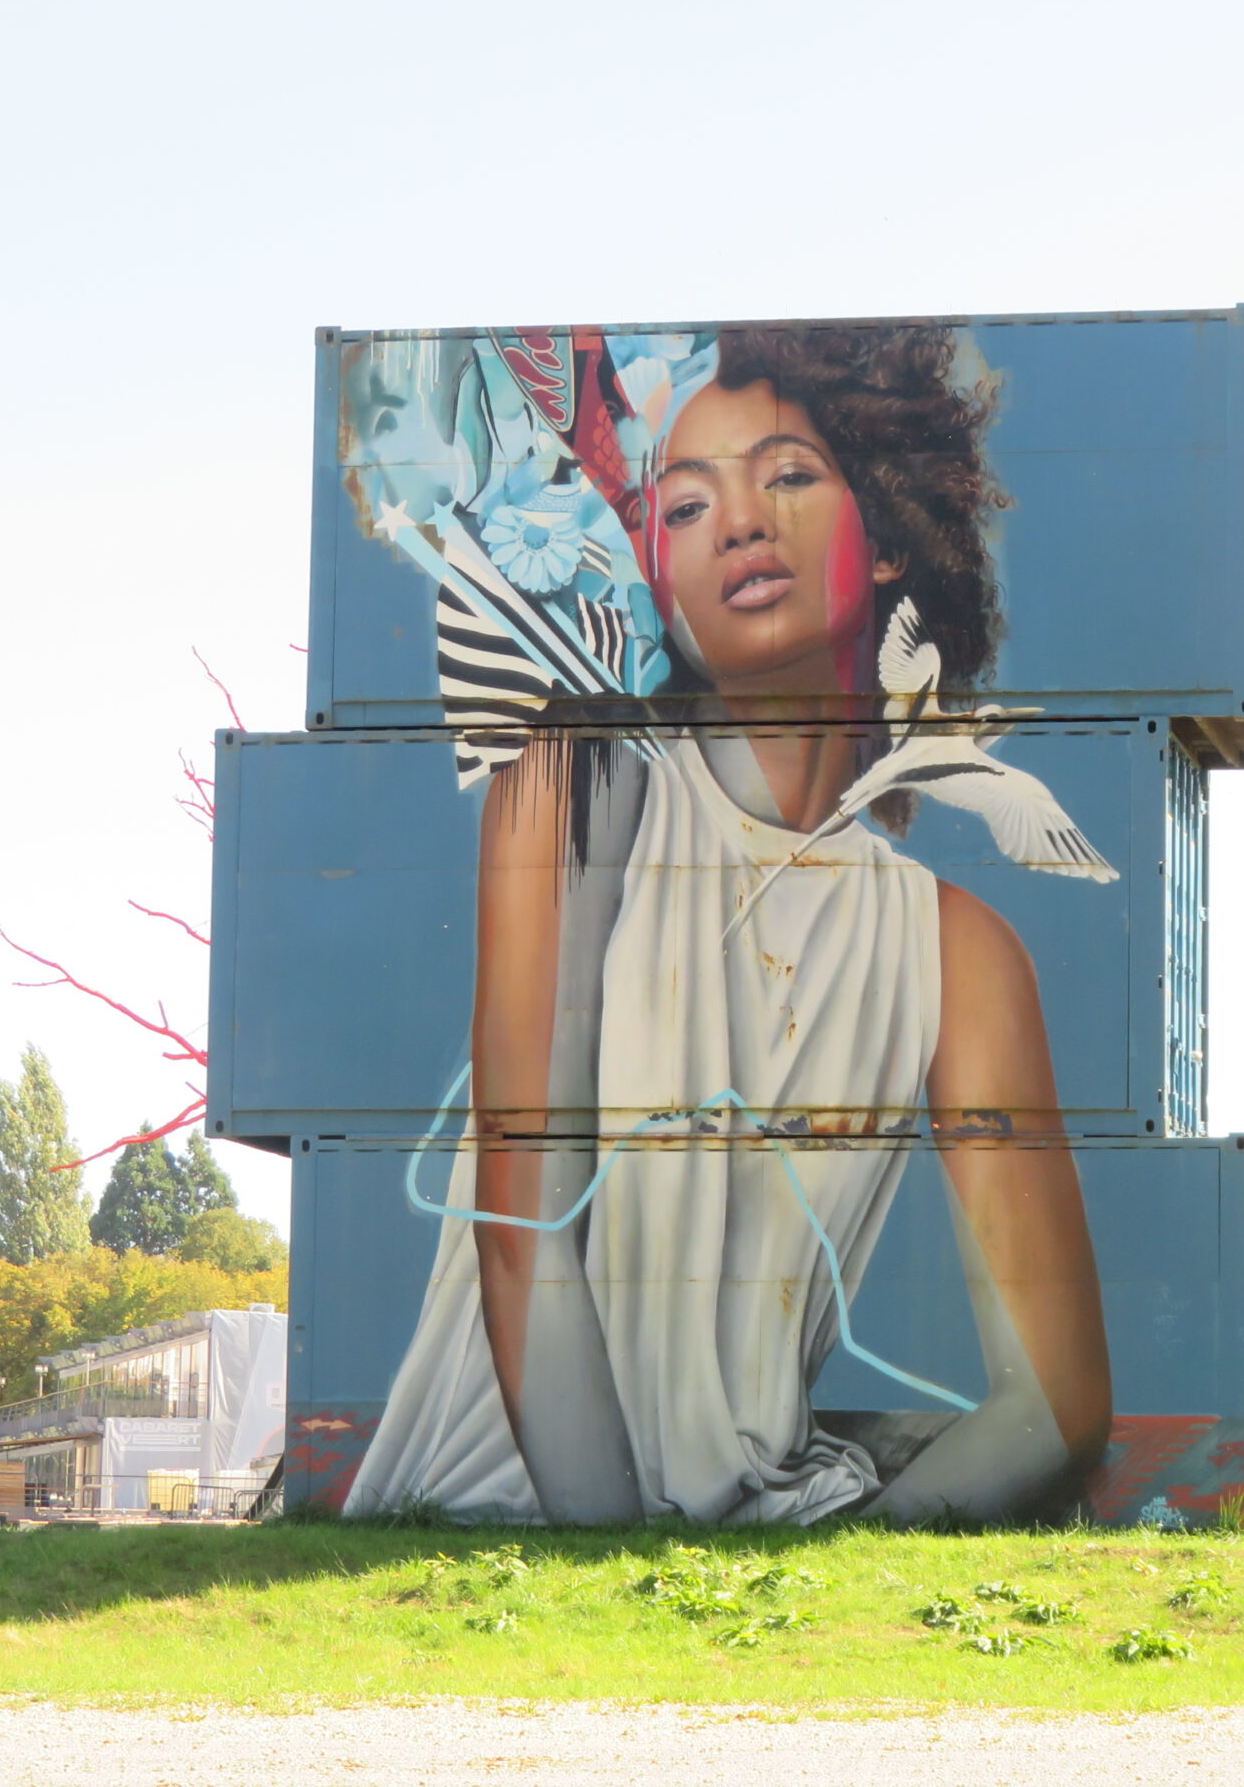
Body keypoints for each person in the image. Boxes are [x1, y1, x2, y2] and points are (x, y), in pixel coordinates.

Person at [347, 327, 1111, 1524]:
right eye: (686, 506)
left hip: (767, 1540)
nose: (740, 524)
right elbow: (520, 1233)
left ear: (890, 528)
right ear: (652, 574)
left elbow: (1057, 1410)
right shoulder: (577, 780)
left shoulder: (960, 958)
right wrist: (627, 1584)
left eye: (788, 475)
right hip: (491, 1528)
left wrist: (820, 1569)